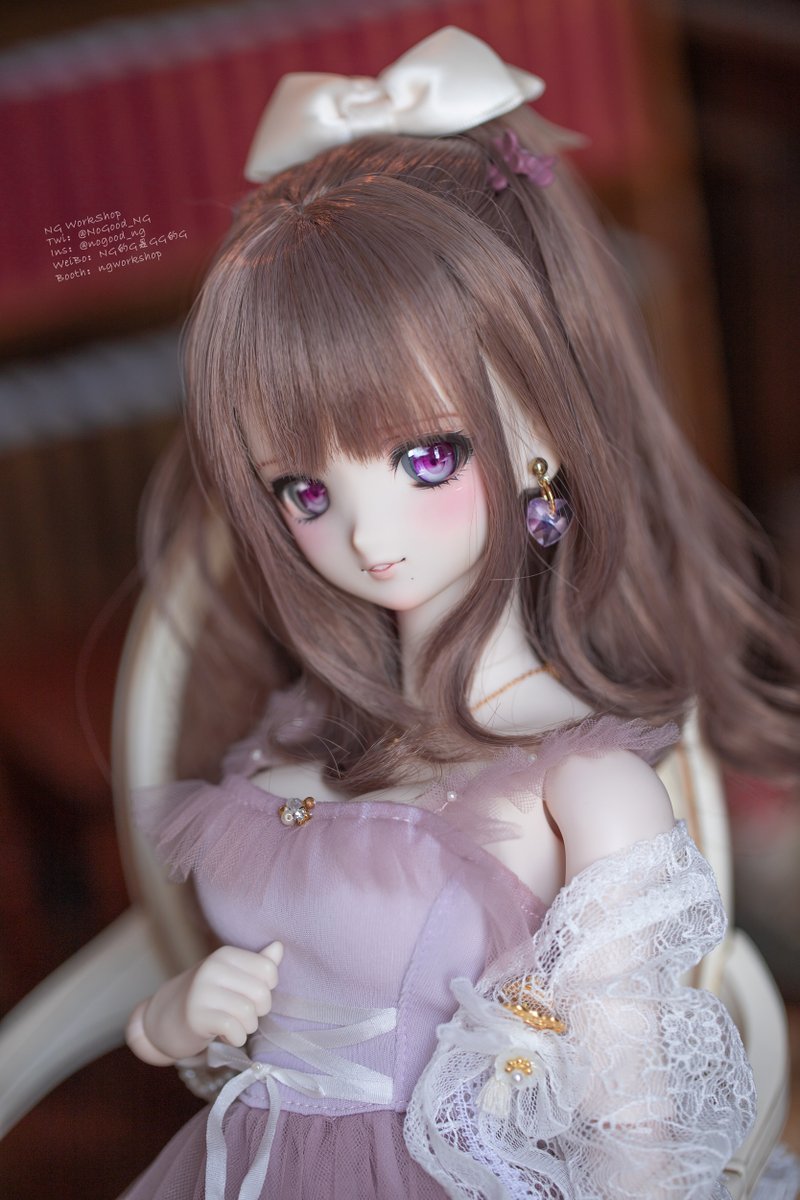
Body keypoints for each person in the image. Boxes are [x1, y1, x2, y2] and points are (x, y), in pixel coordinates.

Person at [121, 27, 799, 1200]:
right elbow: (239, 1021)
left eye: (425, 457)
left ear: (541, 435)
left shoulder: (584, 790)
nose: (365, 533)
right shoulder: (297, 737)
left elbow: (632, 1153)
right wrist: (179, 1015)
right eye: (303, 491)